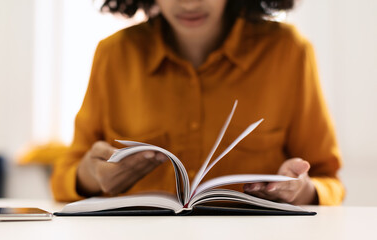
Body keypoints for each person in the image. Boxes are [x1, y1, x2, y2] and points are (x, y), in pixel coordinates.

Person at [51, 0, 344, 205]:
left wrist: (301, 190)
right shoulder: (113, 55)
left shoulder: (290, 52)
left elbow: (328, 181)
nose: (189, 3)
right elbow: (65, 175)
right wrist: (91, 176)